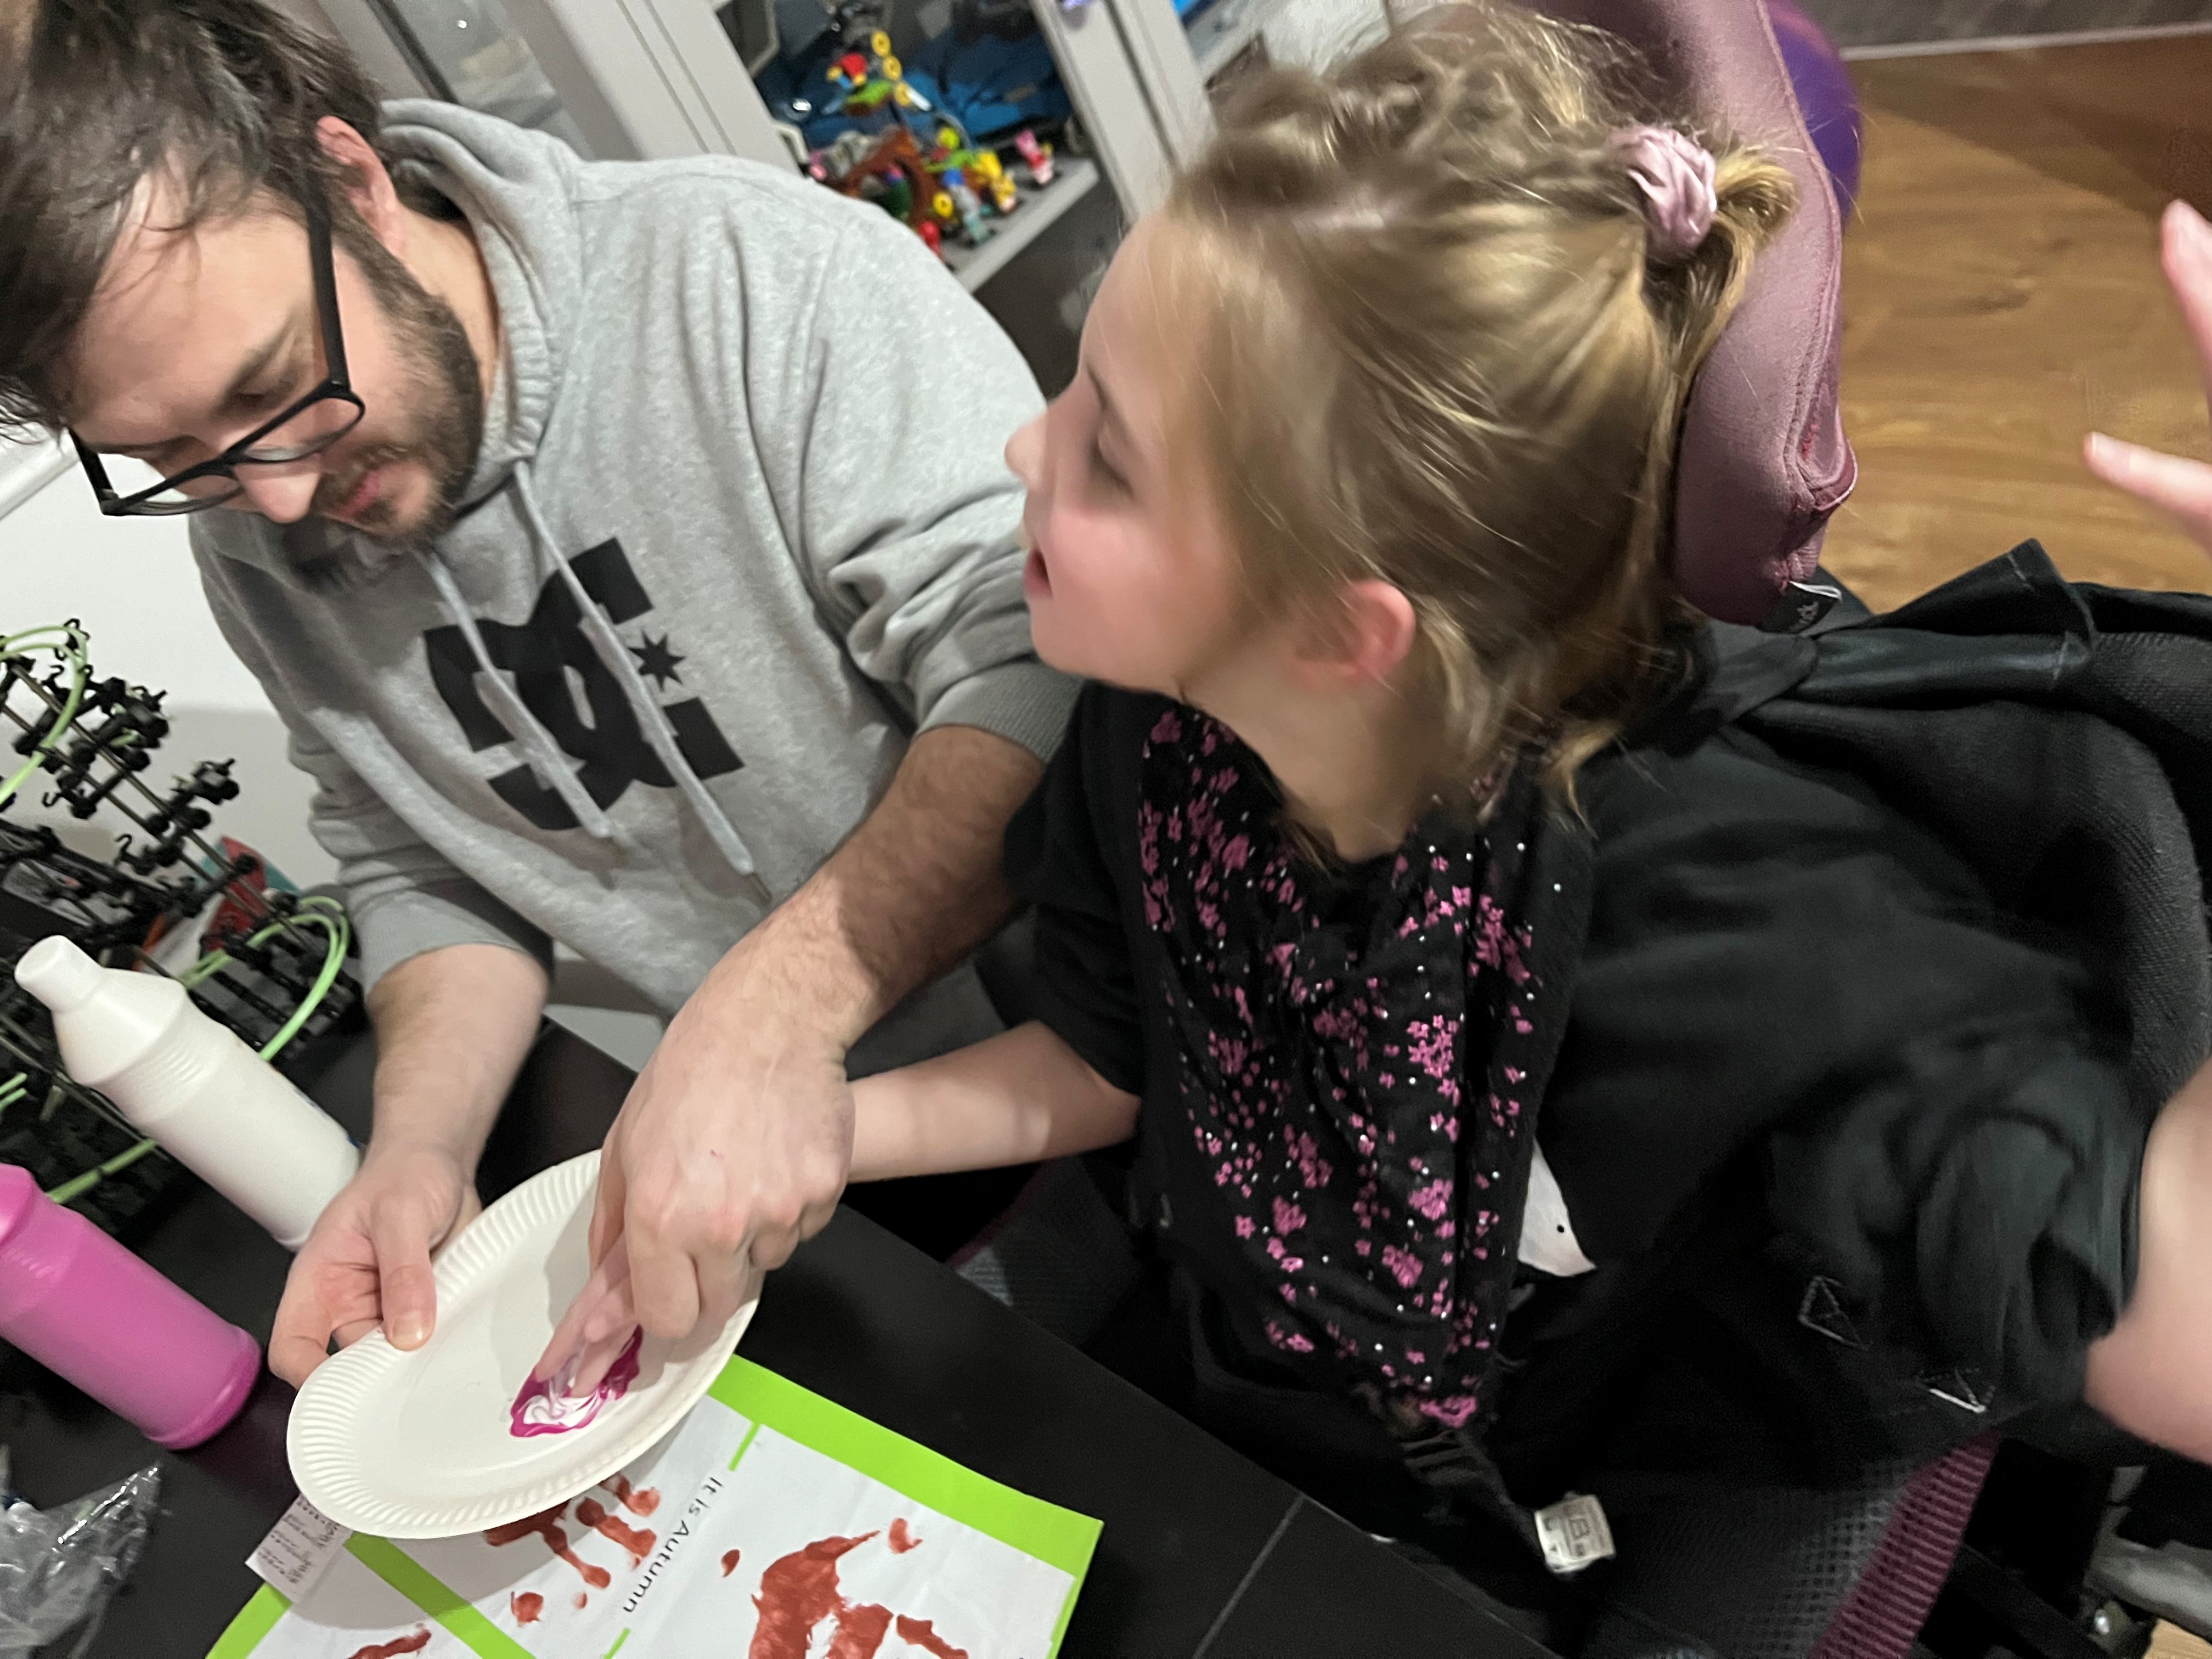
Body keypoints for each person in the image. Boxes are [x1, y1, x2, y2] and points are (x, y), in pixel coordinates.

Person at [665, 1, 2212, 1628]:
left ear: (1341, 628)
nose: (1018, 447)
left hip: (1604, 1487)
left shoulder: (1730, 912)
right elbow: (1114, 1058)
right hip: (1290, 1405)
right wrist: (808, 1131)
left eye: (1104, 455)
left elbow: (2170, 1320)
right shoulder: (1161, 721)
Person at [0, 0, 1071, 1386]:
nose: (270, 495)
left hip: (1097, 1064)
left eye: (275, 388)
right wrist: (415, 1153)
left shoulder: (754, 277)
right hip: (764, 1175)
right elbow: (422, 858)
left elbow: (1034, 666)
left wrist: (767, 1016)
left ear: (353, 182)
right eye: (170, 454)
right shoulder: (256, 523)